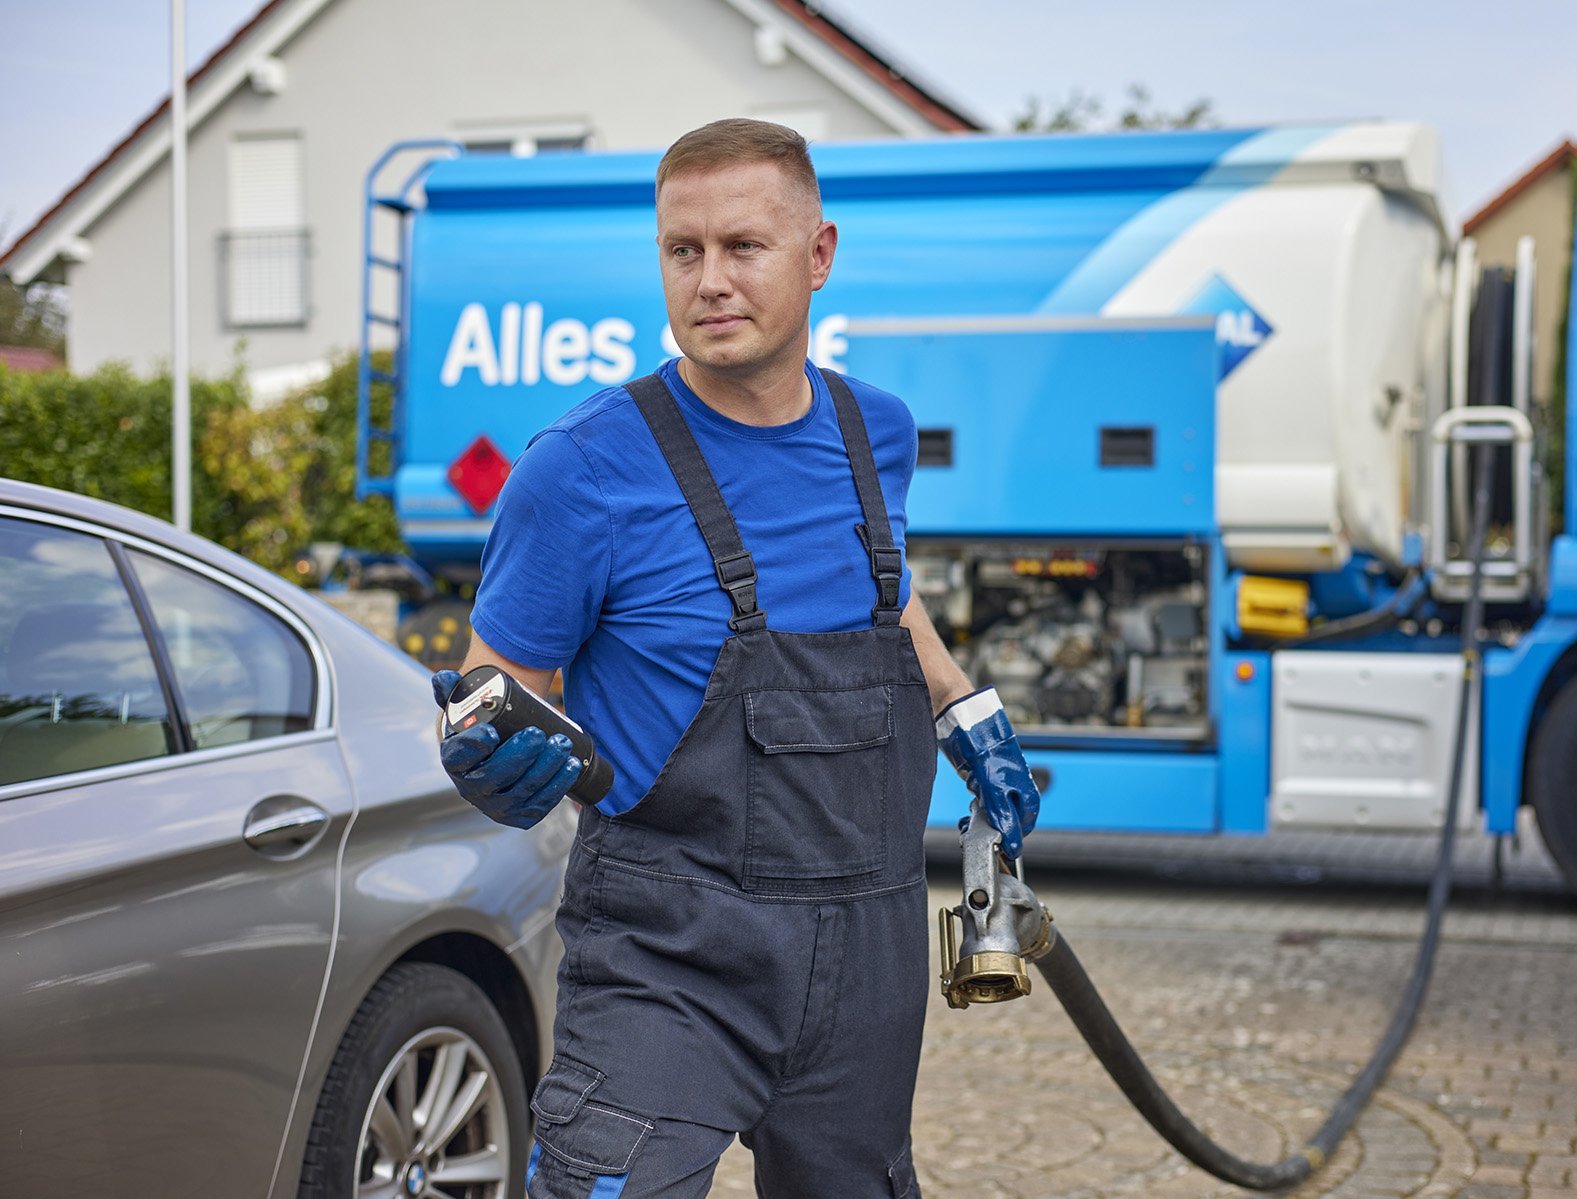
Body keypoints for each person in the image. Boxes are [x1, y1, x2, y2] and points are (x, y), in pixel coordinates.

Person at [432, 118, 1041, 1199]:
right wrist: (480, 757)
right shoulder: (579, 469)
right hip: (669, 950)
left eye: (742, 247)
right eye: (682, 251)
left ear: (817, 256)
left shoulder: (876, 433)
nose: (708, 280)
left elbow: (880, 591)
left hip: (869, 942)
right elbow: (492, 689)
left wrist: (962, 704)